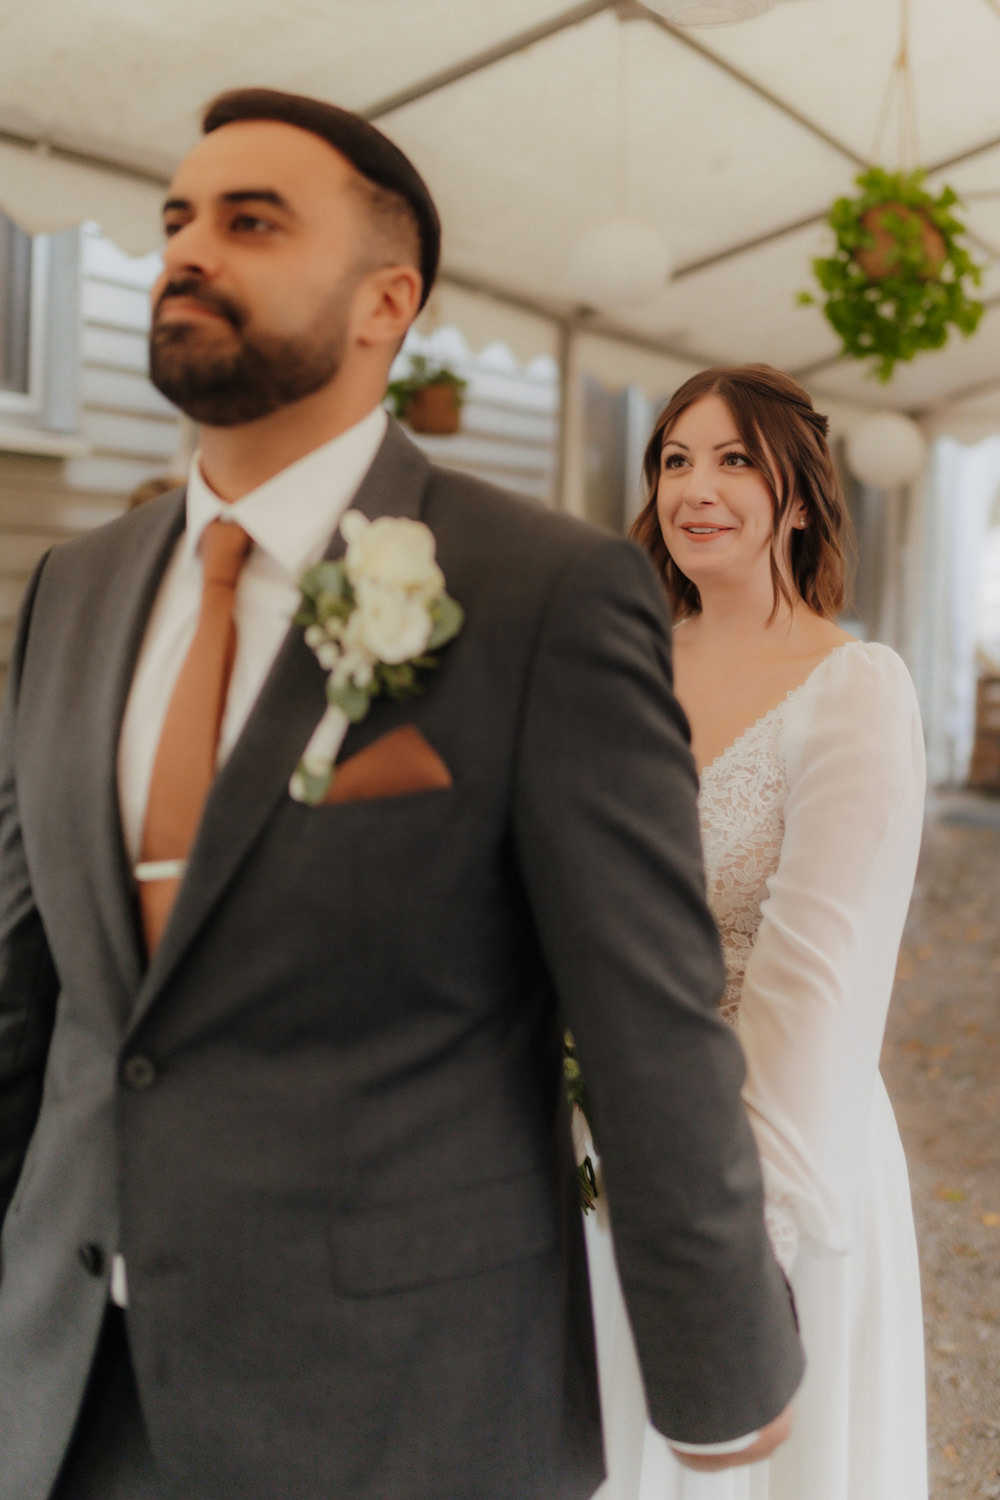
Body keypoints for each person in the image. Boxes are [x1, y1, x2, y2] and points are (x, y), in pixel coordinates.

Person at [0, 95, 802, 1500]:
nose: (190, 249)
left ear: (389, 301)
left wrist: (719, 1371)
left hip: (395, 1408)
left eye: (251, 222)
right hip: (63, 1391)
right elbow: (31, 988)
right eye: (177, 219)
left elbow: (645, 1018)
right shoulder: (72, 590)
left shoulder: (544, 594)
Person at [584, 364, 926, 1500]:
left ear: (796, 494)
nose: (697, 486)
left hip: (764, 1149)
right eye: (675, 458)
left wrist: (741, 1233)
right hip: (587, 1144)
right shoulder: (616, 669)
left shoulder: (853, 689)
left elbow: (818, 972)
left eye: (733, 458)